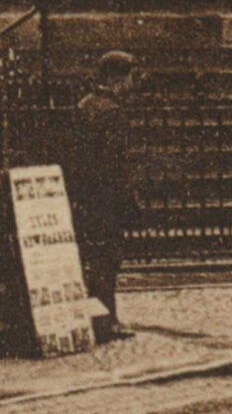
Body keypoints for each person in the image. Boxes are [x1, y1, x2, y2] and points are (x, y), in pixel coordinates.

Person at [72, 51, 139, 342]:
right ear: (118, 79)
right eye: (130, 77)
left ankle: (97, 316)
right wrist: (127, 198)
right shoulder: (111, 112)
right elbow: (116, 164)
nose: (131, 84)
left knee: (91, 258)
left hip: (85, 196)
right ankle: (107, 321)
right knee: (107, 261)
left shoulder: (84, 105)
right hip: (106, 200)